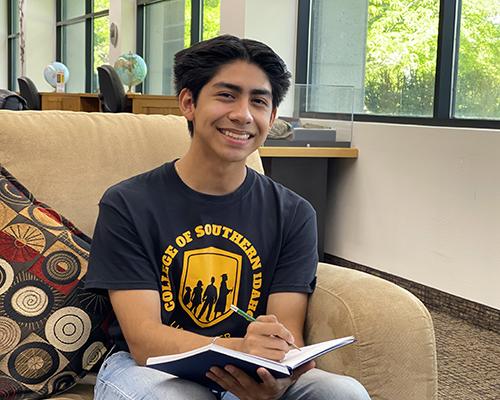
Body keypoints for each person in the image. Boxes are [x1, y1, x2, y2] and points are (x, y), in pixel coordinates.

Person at [85, 34, 370, 400]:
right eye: (226, 95)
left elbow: (287, 333)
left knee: (343, 393)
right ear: (189, 102)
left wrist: (275, 373)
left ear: (272, 116)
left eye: (259, 101)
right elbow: (144, 339)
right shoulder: (128, 204)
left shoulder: (294, 213)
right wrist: (240, 347)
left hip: (248, 366)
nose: (243, 114)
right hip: (151, 369)